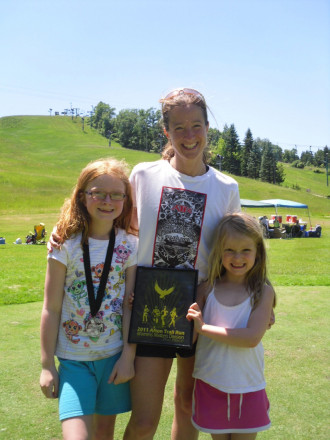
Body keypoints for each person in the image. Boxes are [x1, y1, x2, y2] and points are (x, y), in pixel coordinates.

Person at [123, 87, 242, 440]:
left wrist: (264, 296)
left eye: (196, 126)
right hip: (148, 310)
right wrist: (66, 233)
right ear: (166, 132)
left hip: (200, 310)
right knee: (144, 420)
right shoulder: (143, 176)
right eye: (179, 128)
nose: (189, 136)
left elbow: (240, 250)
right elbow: (118, 232)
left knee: (187, 407)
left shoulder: (226, 187)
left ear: (208, 127)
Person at [40, 158, 138, 440]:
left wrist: (128, 356)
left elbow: (131, 306)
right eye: (98, 193)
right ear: (82, 196)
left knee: (104, 435)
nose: (108, 201)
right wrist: (47, 366)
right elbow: (51, 307)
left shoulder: (129, 245)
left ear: (125, 199)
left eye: (116, 194)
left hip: (114, 358)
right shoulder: (64, 245)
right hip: (74, 361)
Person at [187, 213, 276, 439]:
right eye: (229, 250)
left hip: (248, 386)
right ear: (219, 250)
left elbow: (251, 338)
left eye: (245, 250)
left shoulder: (263, 293)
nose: (237, 257)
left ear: (258, 251)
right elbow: (188, 339)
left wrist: (204, 327)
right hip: (210, 382)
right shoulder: (206, 289)